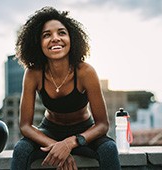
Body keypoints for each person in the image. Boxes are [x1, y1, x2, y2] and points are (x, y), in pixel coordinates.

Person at [11, 6, 121, 170]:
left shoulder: (86, 72)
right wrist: (57, 147)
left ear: (72, 39)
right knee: (21, 149)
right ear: (38, 43)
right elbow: (25, 126)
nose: (55, 38)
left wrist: (70, 143)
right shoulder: (33, 73)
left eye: (61, 33)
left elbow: (102, 125)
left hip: (84, 131)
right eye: (46, 35)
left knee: (109, 149)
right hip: (50, 130)